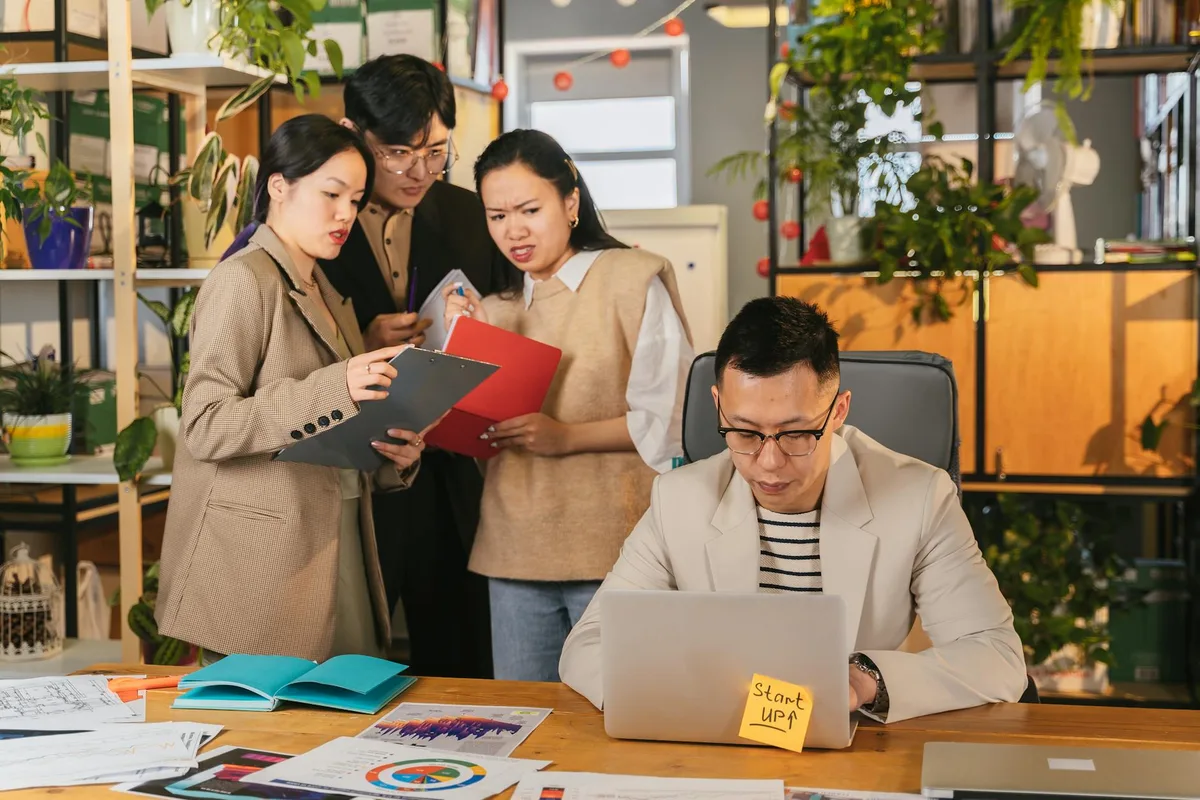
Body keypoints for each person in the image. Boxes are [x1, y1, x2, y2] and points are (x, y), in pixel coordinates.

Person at [558, 296, 1027, 723]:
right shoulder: (678, 499)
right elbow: (587, 646)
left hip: (851, 743)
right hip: (717, 741)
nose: (768, 464)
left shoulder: (920, 498)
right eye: (744, 432)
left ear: (838, 411)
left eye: (797, 433)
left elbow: (996, 656)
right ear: (718, 406)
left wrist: (865, 680)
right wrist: (687, 694)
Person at [156, 114, 433, 663]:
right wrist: (336, 387)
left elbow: (339, 422)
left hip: (338, 540)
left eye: (355, 200)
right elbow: (206, 425)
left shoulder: (324, 287)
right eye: (331, 194)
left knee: (340, 726)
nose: (345, 215)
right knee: (269, 739)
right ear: (279, 187)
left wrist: (394, 454)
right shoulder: (243, 279)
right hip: (261, 560)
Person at [441, 129, 694, 682]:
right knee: (523, 722)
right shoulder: (495, 308)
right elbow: (478, 439)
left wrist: (566, 437)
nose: (514, 231)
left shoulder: (633, 278)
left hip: (615, 544)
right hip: (512, 548)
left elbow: (674, 419)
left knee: (622, 713)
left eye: (529, 209)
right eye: (497, 216)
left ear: (571, 201)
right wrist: (456, 352)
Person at [319, 54, 515, 679]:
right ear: (355, 135)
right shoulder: (318, 221)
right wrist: (361, 341)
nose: (418, 171)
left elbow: (514, 315)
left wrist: (485, 327)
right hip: (350, 477)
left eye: (436, 152)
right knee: (348, 665)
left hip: (451, 473)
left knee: (461, 657)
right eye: (399, 152)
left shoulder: (467, 214)